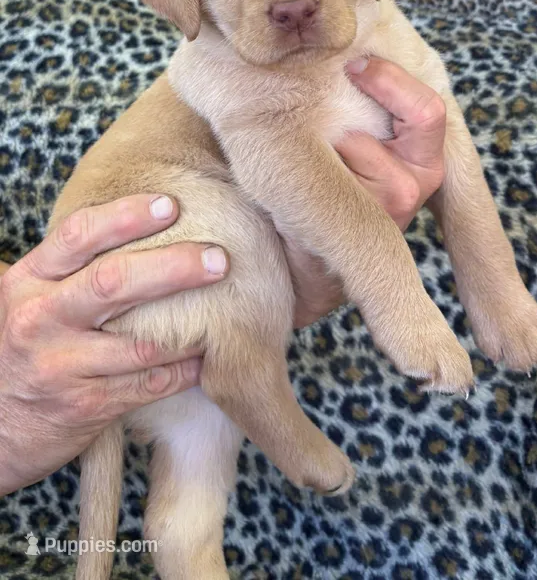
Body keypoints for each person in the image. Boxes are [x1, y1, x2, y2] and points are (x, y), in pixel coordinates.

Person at [0, 58, 447, 496]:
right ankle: (244, 383)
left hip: (92, 333)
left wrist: (301, 284)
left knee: (191, 505)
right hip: (137, 279)